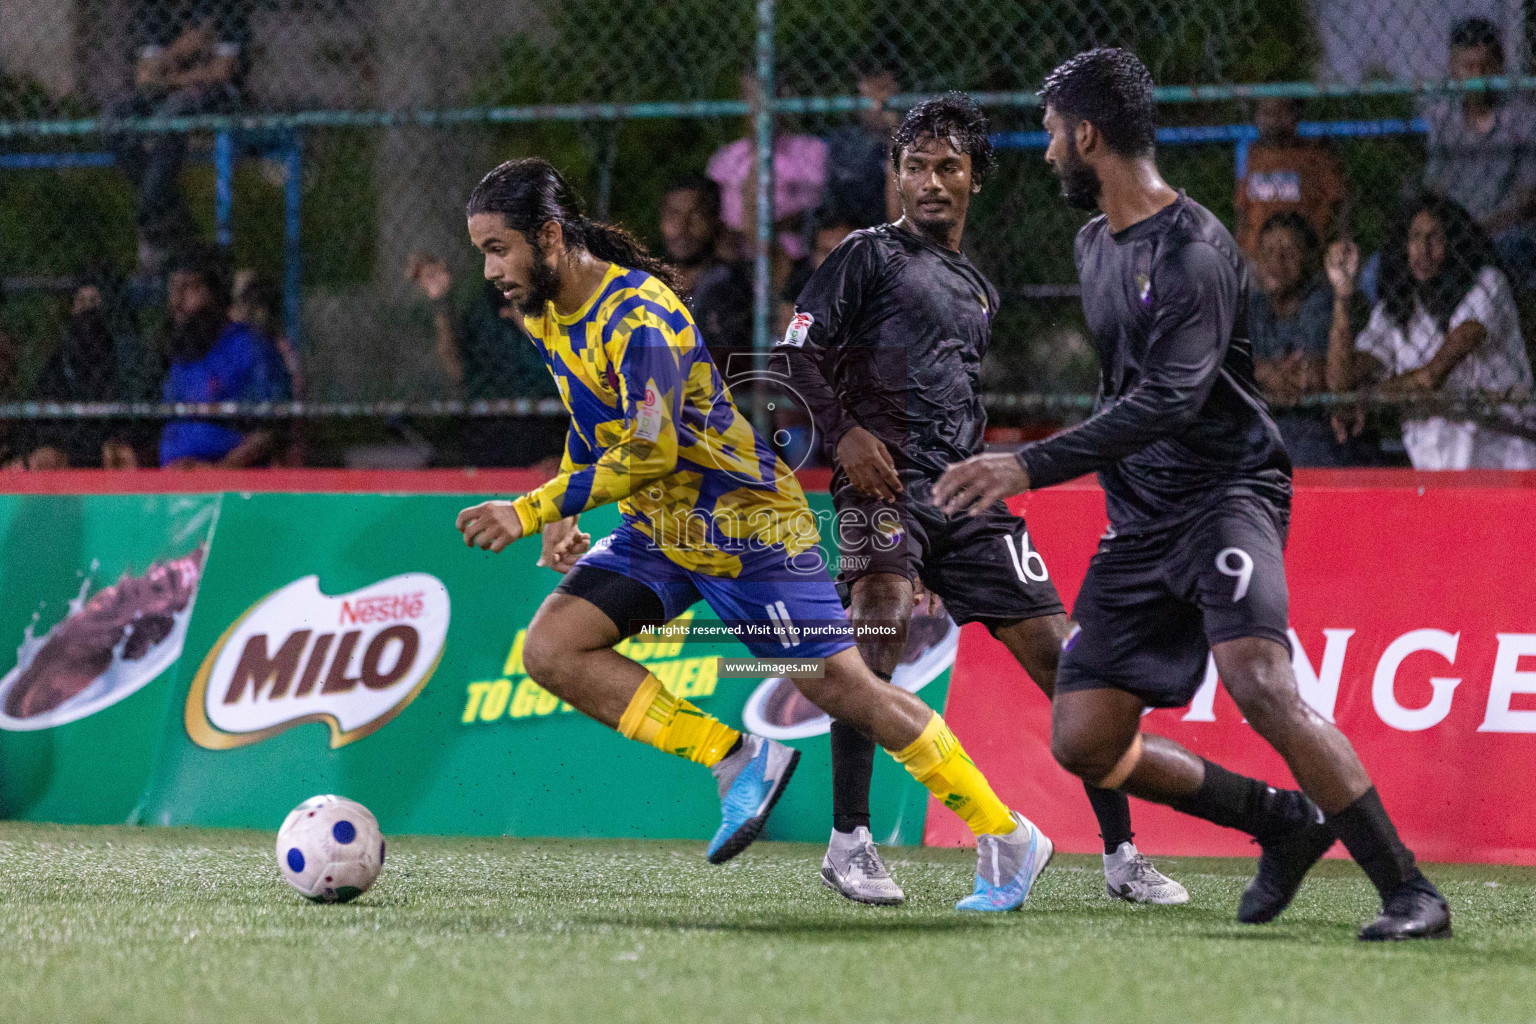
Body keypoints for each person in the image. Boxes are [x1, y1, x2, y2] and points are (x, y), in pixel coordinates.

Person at [934, 48, 1449, 940]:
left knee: (1259, 681)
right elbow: (1121, 392)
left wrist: (1028, 465)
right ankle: (1280, 822)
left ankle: (1409, 890)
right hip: (1140, 522)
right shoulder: (1094, 243)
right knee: (1085, 739)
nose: (1049, 150)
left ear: (1088, 134)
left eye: (1055, 133)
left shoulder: (1198, 251)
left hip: (1224, 496)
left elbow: (1171, 400)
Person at [453, 157, 1053, 910]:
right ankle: (737, 757)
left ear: (547, 236)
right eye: (483, 251)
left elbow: (650, 447)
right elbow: (591, 414)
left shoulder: (642, 317)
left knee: (850, 694)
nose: (490, 269)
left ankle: (1007, 834)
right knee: (551, 649)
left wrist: (532, 507)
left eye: (498, 248)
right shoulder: (546, 311)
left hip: (747, 529)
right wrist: (571, 508)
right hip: (665, 530)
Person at [779, 93, 1186, 907]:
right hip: (882, 482)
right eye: (917, 166)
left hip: (965, 494)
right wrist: (847, 435)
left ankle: (1122, 856)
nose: (932, 181)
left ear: (974, 181)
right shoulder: (865, 255)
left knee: (1067, 660)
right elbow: (794, 356)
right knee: (880, 618)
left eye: (949, 167)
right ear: (895, 177)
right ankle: (849, 842)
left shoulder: (978, 290)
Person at [1325, 196, 1536, 469]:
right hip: (1435, 466)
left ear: (1455, 245)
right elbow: (1341, 382)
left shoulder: (1486, 286)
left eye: (1434, 238)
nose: (1422, 250)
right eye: (1414, 238)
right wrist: (1342, 297)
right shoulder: (1399, 308)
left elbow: (1431, 376)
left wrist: (1364, 399)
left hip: (1504, 459)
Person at [111, 0, 249, 273]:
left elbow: (222, 73)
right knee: (113, 119)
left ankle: (151, 221)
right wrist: (183, 49)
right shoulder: (152, 10)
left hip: (217, 98)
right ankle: (172, 212)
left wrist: (169, 72)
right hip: (164, 96)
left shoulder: (227, 8)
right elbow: (145, 79)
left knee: (171, 112)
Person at [406, 252, 565, 468]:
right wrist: (441, 301)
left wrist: (524, 318)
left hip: (549, 423)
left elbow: (564, 360)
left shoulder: (558, 301)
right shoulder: (487, 306)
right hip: (490, 427)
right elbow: (456, 367)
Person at [1250, 212, 1376, 466]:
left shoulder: (1323, 302)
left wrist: (1264, 374)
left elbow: (1324, 376)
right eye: (1269, 251)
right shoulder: (1254, 307)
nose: (1278, 260)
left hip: (1319, 436)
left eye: (1289, 250)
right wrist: (1288, 374)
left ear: (1309, 257)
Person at [1423, 17, 1536, 292]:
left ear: (1499, 66)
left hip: (1506, 235)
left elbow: (1527, 199)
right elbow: (1435, 191)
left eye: (1485, 67)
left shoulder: (1521, 118)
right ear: (1453, 69)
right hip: (1454, 235)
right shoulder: (1443, 120)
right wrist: (1452, 232)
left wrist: (1481, 232)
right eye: (1468, 67)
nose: (1477, 76)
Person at [159, 244, 291, 469]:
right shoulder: (178, 353)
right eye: (173, 288)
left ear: (216, 292)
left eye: (190, 288)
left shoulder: (249, 347)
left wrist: (219, 471)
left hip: (230, 483)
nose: (178, 301)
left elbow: (272, 428)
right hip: (173, 485)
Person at [1233, 97, 1348, 260]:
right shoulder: (1255, 157)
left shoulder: (1316, 156)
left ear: (1295, 115)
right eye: (1265, 112)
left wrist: (1343, 242)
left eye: (1280, 112)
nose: (1271, 119)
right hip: (1257, 260)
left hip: (1304, 259)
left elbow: (1340, 202)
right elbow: (1243, 210)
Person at [657, 175, 751, 370]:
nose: (682, 227)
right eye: (673, 215)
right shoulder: (648, 282)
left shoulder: (730, 287)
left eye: (696, 216)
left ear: (715, 221)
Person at [822, 56, 904, 231]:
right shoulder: (844, 141)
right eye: (869, 93)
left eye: (885, 90)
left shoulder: (913, 141)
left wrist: (894, 132)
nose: (876, 104)